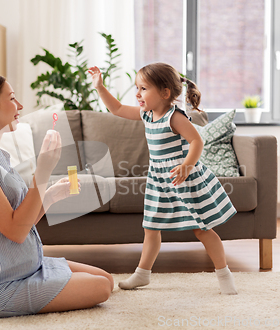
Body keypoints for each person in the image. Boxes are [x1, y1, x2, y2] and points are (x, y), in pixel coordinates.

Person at [0, 72, 114, 318]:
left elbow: (20, 221)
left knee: (105, 278)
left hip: (24, 267)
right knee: (100, 288)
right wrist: (43, 170)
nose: (20, 106)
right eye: (12, 98)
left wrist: (51, 196)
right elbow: (15, 230)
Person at [88, 63, 238, 295]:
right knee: (151, 228)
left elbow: (197, 141)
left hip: (183, 180)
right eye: (137, 88)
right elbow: (116, 108)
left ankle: (224, 275)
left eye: (143, 88)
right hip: (158, 181)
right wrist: (99, 87)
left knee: (202, 229)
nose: (137, 94)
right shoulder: (146, 114)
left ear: (165, 93)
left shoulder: (174, 117)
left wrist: (186, 166)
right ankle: (142, 274)